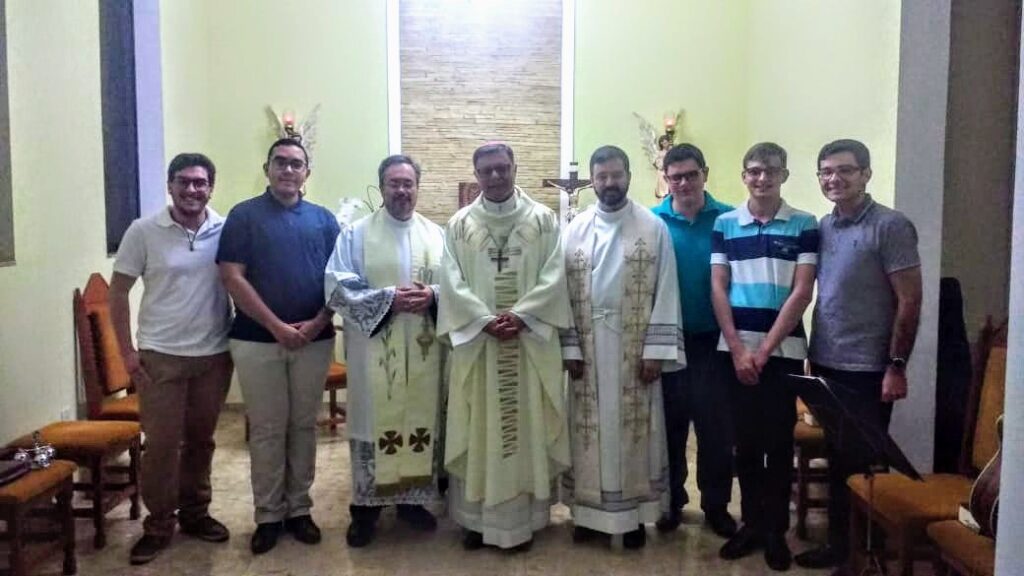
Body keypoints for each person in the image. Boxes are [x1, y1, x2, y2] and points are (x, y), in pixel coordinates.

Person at [794, 139, 921, 574]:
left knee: (864, 463)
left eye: (845, 170)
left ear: (866, 173)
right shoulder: (824, 227)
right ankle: (839, 547)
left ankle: (863, 555)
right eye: (826, 171)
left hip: (869, 368)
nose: (835, 179)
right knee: (836, 459)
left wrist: (896, 365)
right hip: (826, 361)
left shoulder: (891, 226)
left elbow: (910, 300)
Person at [437, 142, 571, 551]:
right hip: (481, 346)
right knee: (477, 427)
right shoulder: (459, 224)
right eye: (487, 170)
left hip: (526, 344)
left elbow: (555, 274)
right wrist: (483, 321)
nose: (495, 176)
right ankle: (475, 521)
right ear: (476, 174)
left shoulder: (543, 220)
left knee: (525, 427)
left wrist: (523, 315)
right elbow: (450, 281)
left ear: (515, 168)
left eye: (502, 168)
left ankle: (521, 523)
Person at [217, 138, 340, 555]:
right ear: (266, 168)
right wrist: (276, 326)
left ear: (307, 172)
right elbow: (232, 276)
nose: (288, 170)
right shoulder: (244, 216)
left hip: (314, 340)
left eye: (296, 164)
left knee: (304, 426)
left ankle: (299, 509)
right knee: (268, 430)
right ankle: (268, 515)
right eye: (280, 162)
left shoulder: (324, 220)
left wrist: (317, 322)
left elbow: (340, 279)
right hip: (256, 340)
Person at [110, 153, 234, 565]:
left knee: (202, 441)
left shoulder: (225, 229)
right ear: (170, 186)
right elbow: (117, 293)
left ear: (211, 188)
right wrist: (127, 353)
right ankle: (159, 525)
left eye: (200, 182)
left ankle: (196, 513)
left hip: (213, 356)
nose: (192, 189)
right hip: (160, 357)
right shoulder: (143, 231)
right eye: (183, 181)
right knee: (162, 446)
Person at [560, 145, 684, 549]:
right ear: (592, 181)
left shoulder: (652, 227)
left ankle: (632, 519)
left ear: (628, 176)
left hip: (635, 352)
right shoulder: (575, 228)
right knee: (587, 435)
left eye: (616, 175)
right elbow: (561, 293)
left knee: (634, 435)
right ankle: (587, 515)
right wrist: (570, 348)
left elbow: (666, 288)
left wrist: (655, 352)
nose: (609, 183)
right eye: (602, 177)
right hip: (588, 353)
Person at [324, 155, 446, 548]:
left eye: (408, 183)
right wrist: (389, 299)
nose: (402, 190)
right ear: (381, 187)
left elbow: (456, 286)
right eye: (394, 183)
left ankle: (411, 502)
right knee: (372, 423)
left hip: (424, 349)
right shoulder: (356, 235)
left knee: (419, 419)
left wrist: (433, 296)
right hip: (374, 350)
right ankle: (365, 511)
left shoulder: (436, 235)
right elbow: (337, 286)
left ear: (417, 187)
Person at [712, 142, 818, 571]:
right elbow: (718, 286)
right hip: (735, 352)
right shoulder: (725, 224)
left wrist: (765, 350)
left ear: (784, 176)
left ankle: (775, 530)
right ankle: (751, 524)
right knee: (745, 443)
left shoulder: (804, 223)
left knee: (777, 443)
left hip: (783, 353)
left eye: (771, 170)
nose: (762, 178)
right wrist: (739, 349)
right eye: (754, 170)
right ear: (744, 176)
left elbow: (802, 291)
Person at [650, 144, 737, 538]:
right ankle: (670, 502)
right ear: (666, 180)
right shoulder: (652, 222)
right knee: (669, 428)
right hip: (667, 341)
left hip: (714, 341)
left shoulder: (729, 219)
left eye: (691, 175)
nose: (684, 183)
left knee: (715, 430)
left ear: (705, 173)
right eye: (676, 177)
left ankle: (716, 506)